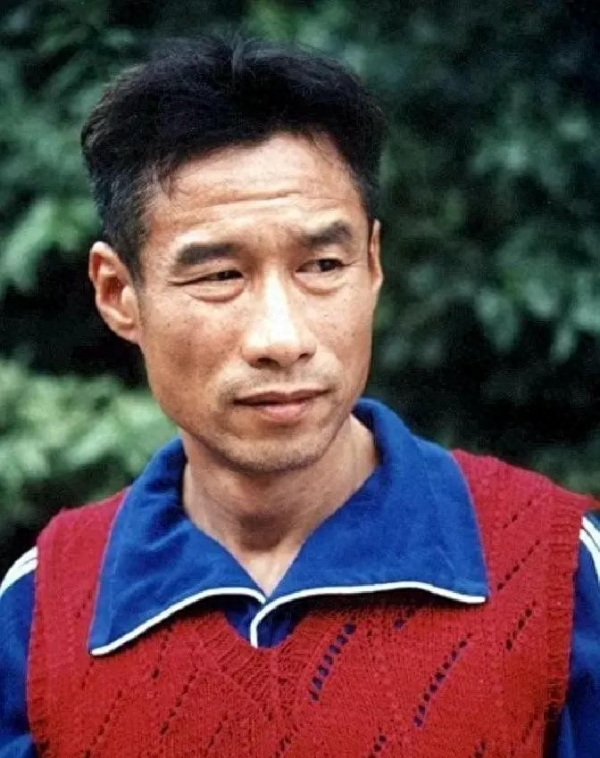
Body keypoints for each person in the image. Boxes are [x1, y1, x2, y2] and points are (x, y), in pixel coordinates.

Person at [0, 35, 599, 758]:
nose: (282, 338)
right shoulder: (40, 610)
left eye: (321, 264)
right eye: (219, 275)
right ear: (119, 293)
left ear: (372, 264)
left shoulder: (561, 572)